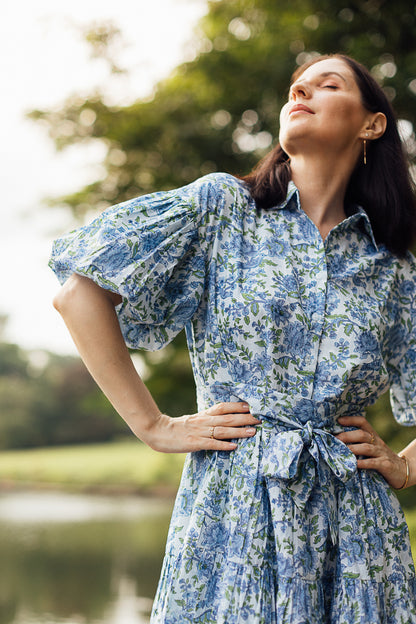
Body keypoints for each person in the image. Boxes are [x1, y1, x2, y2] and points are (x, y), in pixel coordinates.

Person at [49, 53, 416, 623]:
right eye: (296, 86)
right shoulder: (221, 209)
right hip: (233, 512)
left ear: (372, 124)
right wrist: (155, 426)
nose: (302, 91)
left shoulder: (390, 267)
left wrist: (407, 465)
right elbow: (79, 294)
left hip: (356, 537)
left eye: (328, 83)